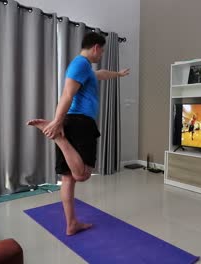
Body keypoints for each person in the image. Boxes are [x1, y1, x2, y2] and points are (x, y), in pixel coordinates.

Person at [27, 32, 130, 236]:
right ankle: (60, 139)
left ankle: (71, 223)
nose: (101, 55)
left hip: (72, 121)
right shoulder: (81, 64)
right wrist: (57, 123)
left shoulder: (87, 70)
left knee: (68, 178)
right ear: (96, 48)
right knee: (82, 174)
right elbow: (67, 94)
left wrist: (118, 74)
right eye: (102, 51)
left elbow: (101, 74)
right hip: (80, 122)